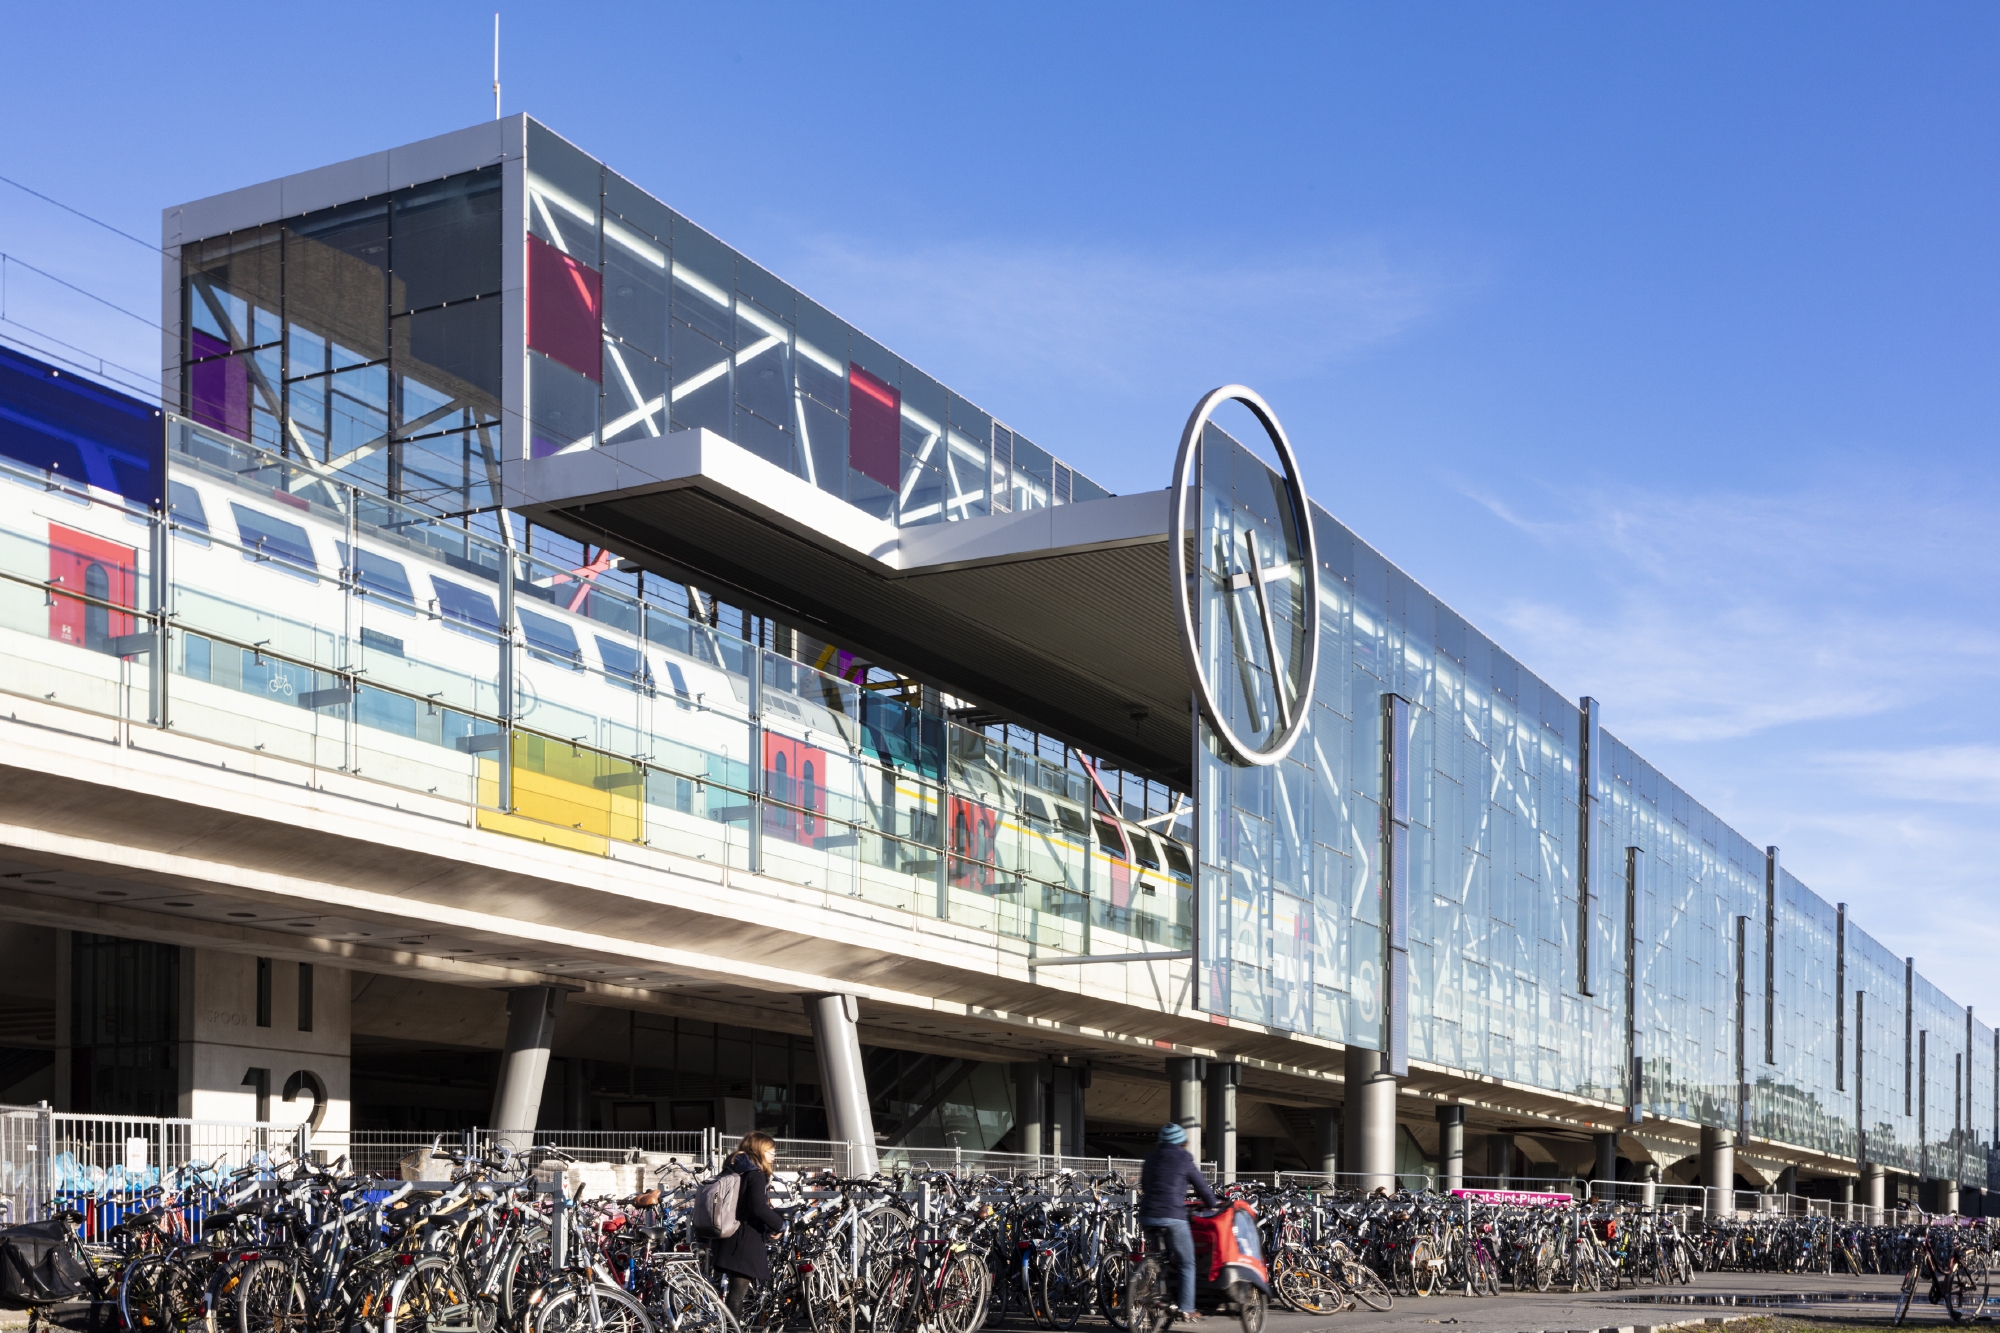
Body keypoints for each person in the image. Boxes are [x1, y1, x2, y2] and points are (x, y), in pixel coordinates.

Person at [1138, 1122, 1218, 1320]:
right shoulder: (1184, 1157)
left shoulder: (1150, 1156)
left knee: (1159, 1257)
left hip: (1148, 1214)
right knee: (1186, 1262)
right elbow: (1200, 1184)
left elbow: (1146, 1185)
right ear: (1181, 1142)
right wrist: (1213, 1203)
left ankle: (1157, 1294)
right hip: (1173, 1215)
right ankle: (1187, 1308)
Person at [711, 1131, 786, 1320]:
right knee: (737, 1295)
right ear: (760, 1150)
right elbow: (758, 1207)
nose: (773, 1156)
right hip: (744, 1239)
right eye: (770, 1151)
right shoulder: (755, 1175)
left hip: (726, 1234)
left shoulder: (732, 1169)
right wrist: (780, 1225)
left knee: (729, 1293)